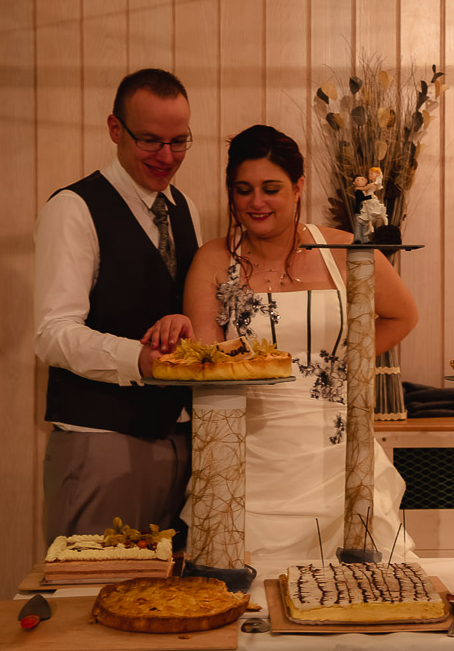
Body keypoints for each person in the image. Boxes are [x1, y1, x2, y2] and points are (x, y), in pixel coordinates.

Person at [171, 124, 418, 558]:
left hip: (340, 448)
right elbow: (207, 364)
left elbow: (403, 316)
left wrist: (340, 363)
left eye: (271, 188)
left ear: (298, 187)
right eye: (243, 189)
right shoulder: (212, 259)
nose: (256, 202)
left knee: (360, 592)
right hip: (249, 451)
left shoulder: (344, 250)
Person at [34, 68, 201, 544]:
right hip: (100, 442)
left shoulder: (185, 207)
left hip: (179, 439)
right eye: (150, 140)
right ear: (115, 129)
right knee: (88, 596)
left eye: (180, 141)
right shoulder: (73, 208)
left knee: (163, 601)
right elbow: (52, 333)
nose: (167, 156)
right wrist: (139, 359)